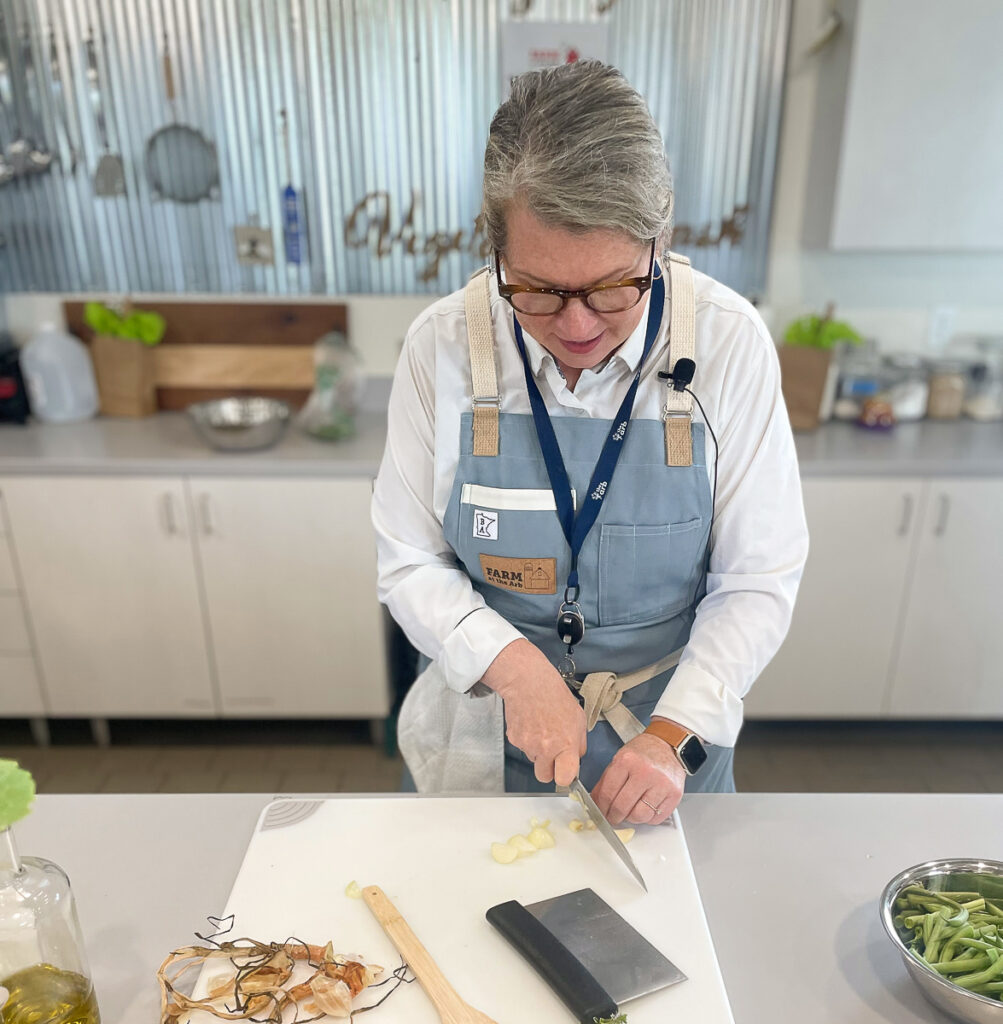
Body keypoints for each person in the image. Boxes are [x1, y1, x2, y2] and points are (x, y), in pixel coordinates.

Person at [371, 60, 808, 825]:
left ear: (658, 240)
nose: (576, 328)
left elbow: (755, 580)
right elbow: (408, 560)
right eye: (536, 289)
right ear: (495, 246)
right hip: (484, 738)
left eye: (612, 287)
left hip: (667, 741)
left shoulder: (727, 344)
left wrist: (673, 735)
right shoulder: (441, 345)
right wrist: (511, 667)